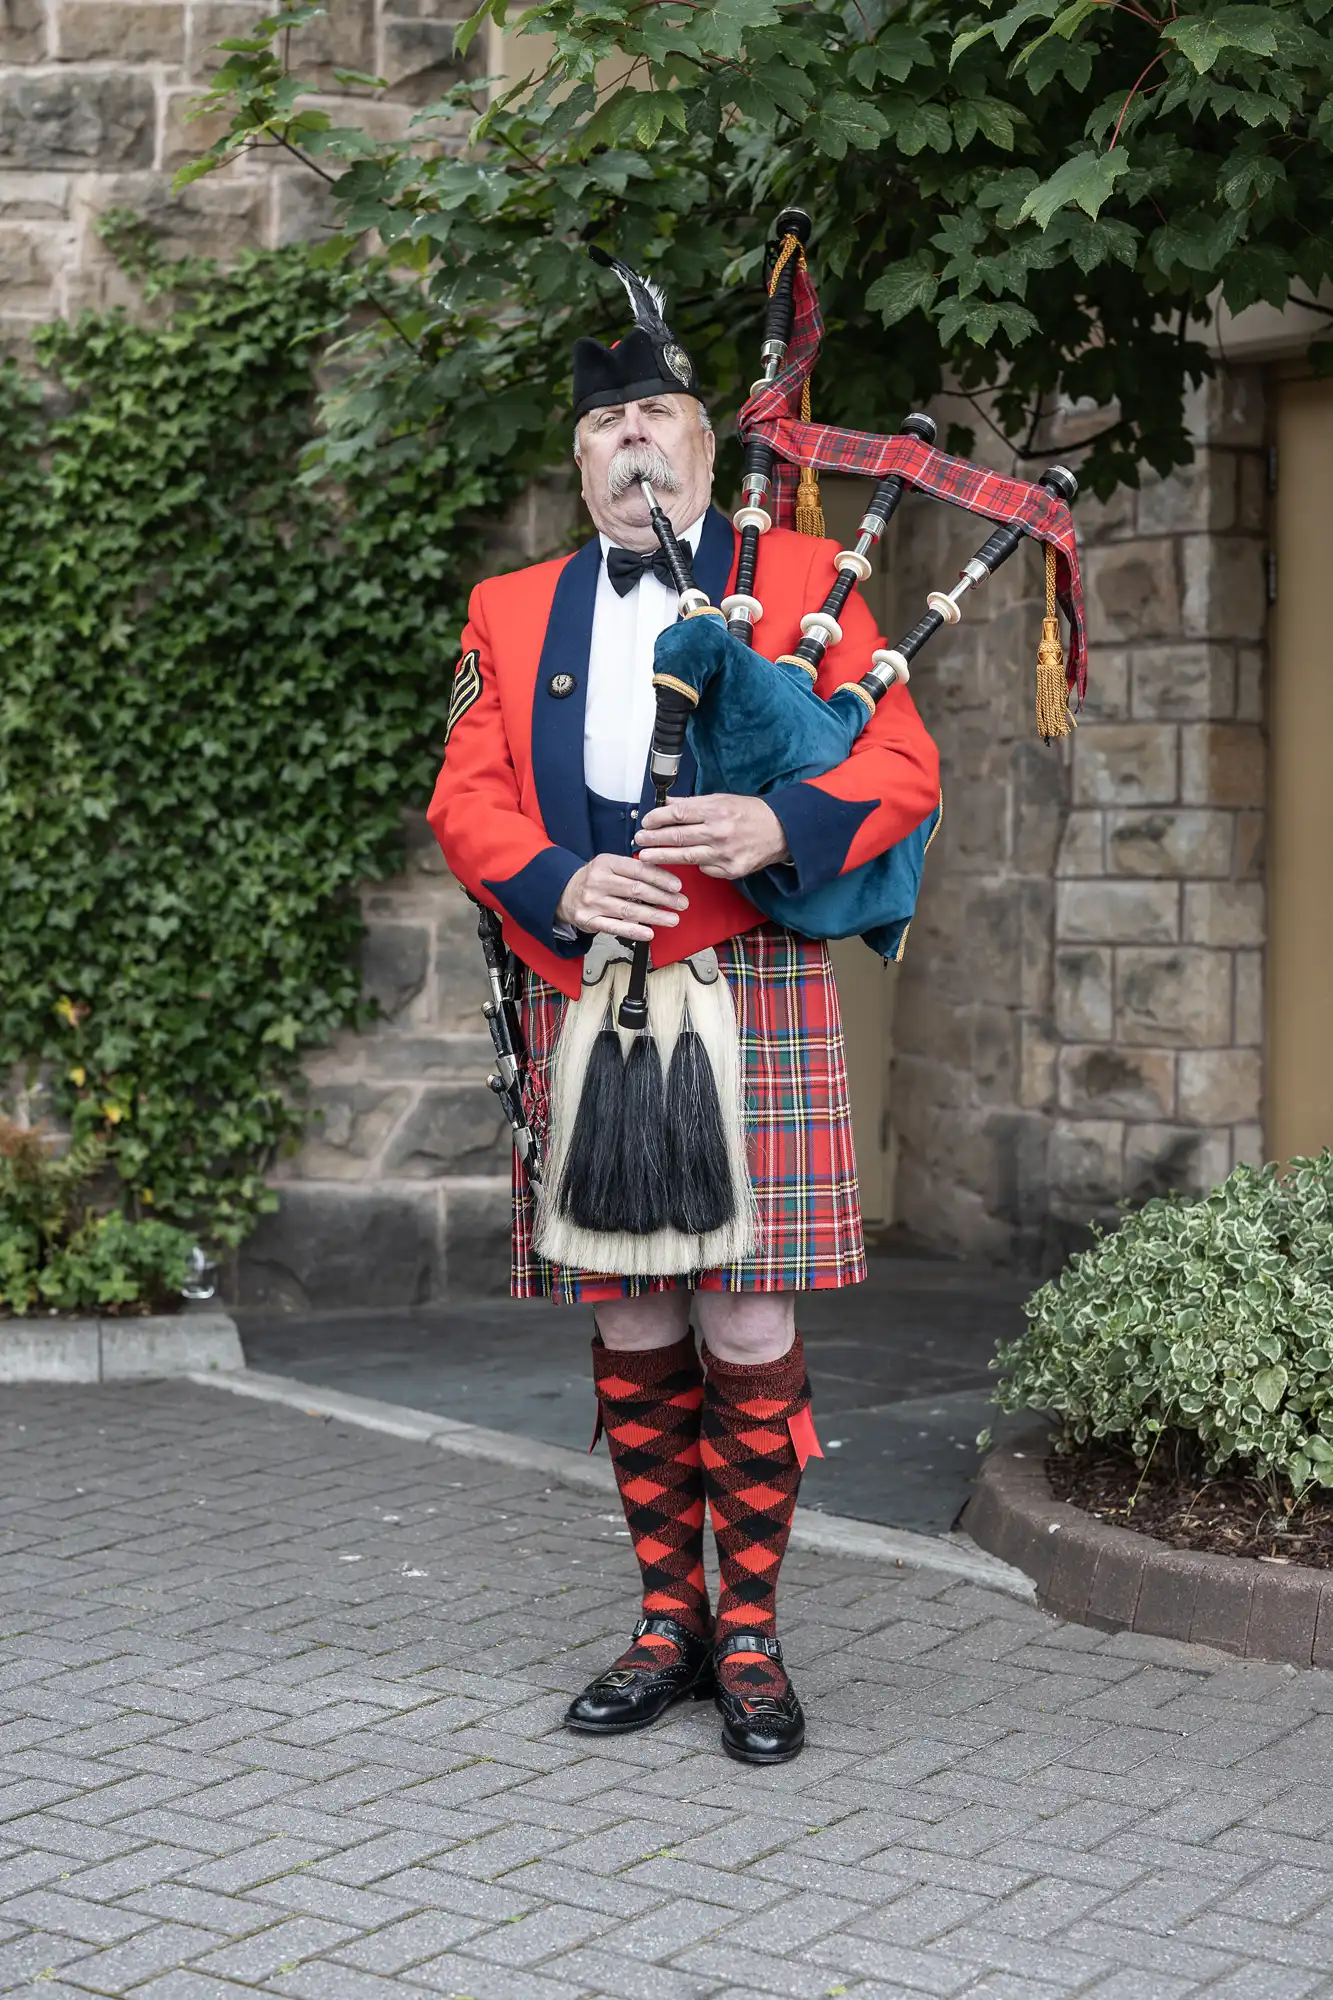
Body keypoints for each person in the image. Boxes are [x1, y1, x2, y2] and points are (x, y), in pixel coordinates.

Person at [429, 262, 939, 1765]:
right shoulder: (512, 609)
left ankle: (758, 1636)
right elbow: (466, 795)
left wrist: (780, 829)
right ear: (578, 457)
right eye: (608, 423)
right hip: (585, 995)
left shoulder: (796, 585)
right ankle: (668, 1622)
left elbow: (899, 765)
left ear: (707, 445)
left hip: (753, 989)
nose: (633, 441)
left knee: (748, 1313)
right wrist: (560, 883)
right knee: (632, 1310)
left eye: (658, 414)